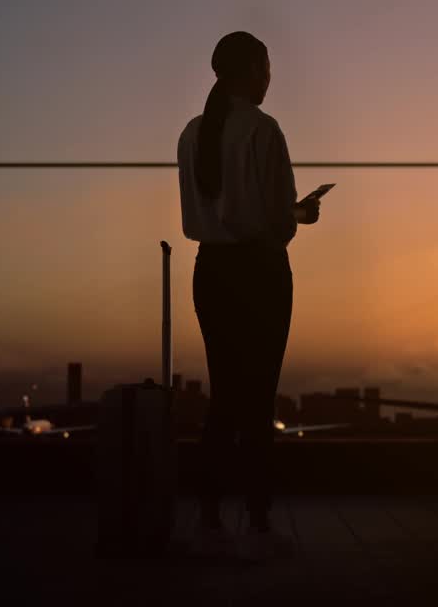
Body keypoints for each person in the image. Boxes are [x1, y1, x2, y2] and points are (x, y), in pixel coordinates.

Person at [177, 31, 320, 556]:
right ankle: (259, 521)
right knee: (259, 398)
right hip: (260, 272)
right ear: (252, 71)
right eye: (266, 68)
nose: (269, 78)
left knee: (224, 395)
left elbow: (204, 213)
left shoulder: (192, 134)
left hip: (210, 271)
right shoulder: (264, 130)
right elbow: (277, 220)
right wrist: (302, 215)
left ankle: (209, 515)